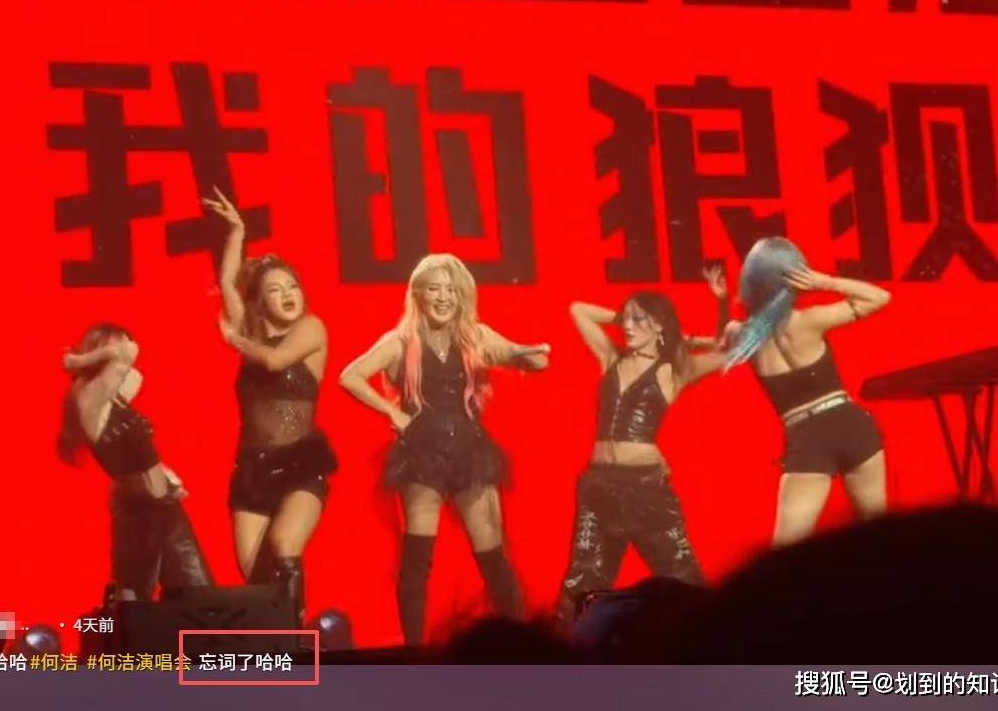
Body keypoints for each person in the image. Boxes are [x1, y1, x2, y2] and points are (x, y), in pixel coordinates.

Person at [339, 253, 550, 645]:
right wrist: (393, 412)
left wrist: (520, 351)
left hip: (471, 455)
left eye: (450, 290)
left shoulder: (474, 337)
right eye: (434, 289)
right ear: (418, 294)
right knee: (418, 560)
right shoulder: (400, 341)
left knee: (493, 556)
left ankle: (522, 647)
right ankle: (414, 653)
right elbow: (349, 376)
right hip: (422, 458)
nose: (443, 297)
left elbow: (536, 362)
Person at [557, 266, 728, 624]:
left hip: (646, 490)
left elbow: (728, 351)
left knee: (682, 579)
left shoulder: (674, 370)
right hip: (598, 487)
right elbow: (577, 310)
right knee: (581, 582)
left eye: (639, 320)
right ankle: (565, 654)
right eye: (627, 319)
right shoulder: (611, 358)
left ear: (660, 325)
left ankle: (714, 646)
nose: (628, 327)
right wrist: (627, 316)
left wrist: (721, 304)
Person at [204, 189, 337, 627]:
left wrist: (233, 340)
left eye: (292, 286)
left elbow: (275, 361)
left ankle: (297, 647)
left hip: (300, 465)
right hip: (252, 469)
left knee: (284, 545)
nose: (288, 294)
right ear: (261, 301)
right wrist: (237, 232)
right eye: (275, 290)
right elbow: (228, 283)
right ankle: (274, 647)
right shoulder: (251, 332)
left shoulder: (312, 329)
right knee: (255, 579)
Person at [723, 237, 891, 546]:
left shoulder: (741, 335)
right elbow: (879, 297)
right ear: (795, 278)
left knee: (787, 549)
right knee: (879, 538)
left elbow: (723, 348)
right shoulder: (807, 322)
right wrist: (824, 282)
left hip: (807, 438)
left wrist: (722, 303)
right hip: (850, 426)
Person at [58, 324, 213, 602]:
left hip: (165, 504)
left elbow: (133, 366)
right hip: (139, 511)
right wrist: (78, 361)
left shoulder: (114, 398)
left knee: (199, 591)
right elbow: (128, 352)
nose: (125, 349)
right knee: (134, 599)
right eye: (115, 345)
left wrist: (166, 476)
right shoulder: (89, 399)